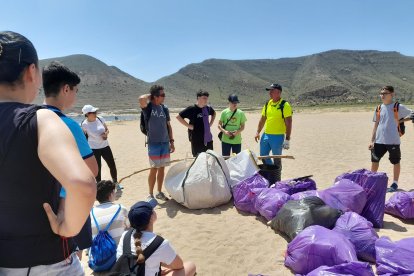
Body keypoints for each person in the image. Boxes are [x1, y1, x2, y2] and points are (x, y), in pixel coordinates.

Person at [0, 31, 96, 275]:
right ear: (32, 72)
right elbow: (82, 183)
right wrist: (68, 226)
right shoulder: (41, 119)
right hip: (42, 259)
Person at [43, 61, 99, 260]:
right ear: (66, 89)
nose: (76, 94)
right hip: (65, 204)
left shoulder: (30, 119)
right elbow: (91, 169)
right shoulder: (69, 125)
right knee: (73, 257)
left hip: (39, 203)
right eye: (75, 90)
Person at [116, 201, 196, 276]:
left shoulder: (125, 235)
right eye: (153, 210)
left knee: (156, 263)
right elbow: (179, 265)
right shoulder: (160, 243)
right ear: (151, 218)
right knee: (190, 266)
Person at [368, 85, 412, 192]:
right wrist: (372, 140)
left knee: (395, 161)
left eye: (385, 93)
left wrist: (401, 121)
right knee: (375, 160)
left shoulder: (398, 106)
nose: (382, 95)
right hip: (379, 141)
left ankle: (395, 183)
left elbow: (412, 114)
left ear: (392, 94)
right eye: (381, 93)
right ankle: (372, 182)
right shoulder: (379, 108)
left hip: (393, 140)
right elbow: (376, 125)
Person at [139, 85, 174, 201]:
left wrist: (172, 141)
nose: (164, 97)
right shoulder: (148, 107)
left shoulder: (164, 108)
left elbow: (168, 126)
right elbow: (141, 99)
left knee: (162, 168)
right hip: (153, 143)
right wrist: (151, 96)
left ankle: (159, 192)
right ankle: (150, 194)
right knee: (154, 168)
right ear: (155, 96)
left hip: (165, 143)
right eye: (162, 95)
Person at [254, 83, 292, 179]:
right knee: (263, 156)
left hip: (278, 136)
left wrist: (287, 139)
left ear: (278, 92)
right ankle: (271, 173)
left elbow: (289, 123)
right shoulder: (268, 104)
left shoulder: (285, 105)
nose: (270, 93)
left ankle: (277, 178)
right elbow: (262, 119)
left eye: (272, 91)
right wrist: (258, 132)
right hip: (266, 135)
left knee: (277, 159)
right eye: (269, 91)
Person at [81, 104, 121, 189]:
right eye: (93, 112)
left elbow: (106, 129)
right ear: (87, 114)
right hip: (94, 148)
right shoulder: (84, 124)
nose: (96, 113)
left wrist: (105, 134)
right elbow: (83, 138)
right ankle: (98, 186)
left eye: (96, 111)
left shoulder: (100, 118)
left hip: (105, 146)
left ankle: (115, 182)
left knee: (112, 164)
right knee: (98, 168)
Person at [177, 90, 216, 157]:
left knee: (209, 157)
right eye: (204, 98)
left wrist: (210, 123)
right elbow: (178, 117)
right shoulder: (192, 109)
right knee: (198, 158)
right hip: (196, 139)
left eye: (207, 98)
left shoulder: (208, 108)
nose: (206, 100)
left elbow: (214, 113)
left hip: (208, 138)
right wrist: (189, 126)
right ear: (198, 98)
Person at [91, 180, 128, 245]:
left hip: (99, 253)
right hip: (119, 251)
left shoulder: (91, 213)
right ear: (111, 194)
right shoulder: (121, 209)